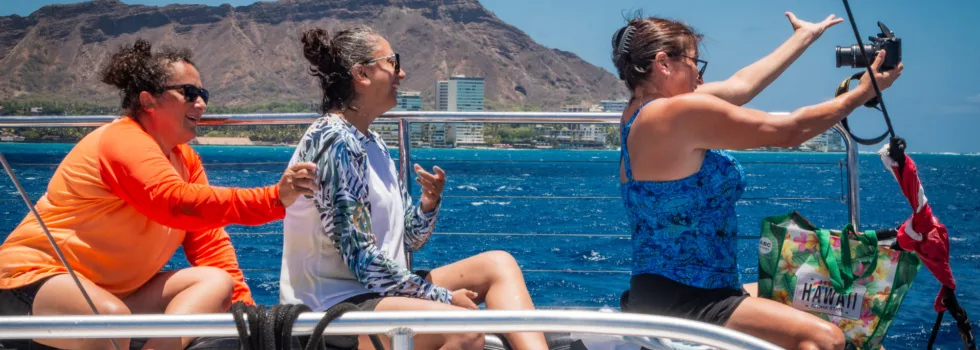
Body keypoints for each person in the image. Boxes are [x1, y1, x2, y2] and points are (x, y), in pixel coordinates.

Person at [611, 12, 902, 350]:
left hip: (671, 289)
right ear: (663, 63)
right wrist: (861, 93)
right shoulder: (675, 113)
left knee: (828, 296)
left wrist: (804, 37)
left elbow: (741, 86)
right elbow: (789, 131)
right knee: (825, 339)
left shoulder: (639, 112)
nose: (700, 78)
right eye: (696, 64)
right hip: (690, 300)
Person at [0, 39, 317, 350]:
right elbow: (173, 202)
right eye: (189, 93)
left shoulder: (186, 161)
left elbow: (208, 243)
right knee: (109, 320)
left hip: (112, 294)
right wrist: (273, 198)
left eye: (203, 94)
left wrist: (248, 314)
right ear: (148, 101)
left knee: (217, 282)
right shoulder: (121, 141)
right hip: (29, 279)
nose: (201, 103)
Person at [278, 27, 549, 350]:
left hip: (377, 292)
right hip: (332, 309)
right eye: (393, 63)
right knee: (464, 331)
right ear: (361, 73)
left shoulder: (373, 143)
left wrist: (427, 204)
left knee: (498, 264)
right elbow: (364, 261)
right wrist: (445, 298)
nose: (402, 73)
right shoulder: (334, 142)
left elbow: (408, 239)